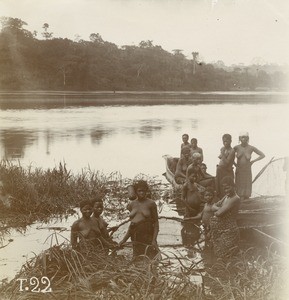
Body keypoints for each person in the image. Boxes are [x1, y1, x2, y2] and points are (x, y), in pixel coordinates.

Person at [119, 180, 159, 259]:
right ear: (136, 192)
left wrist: (154, 240)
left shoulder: (151, 203)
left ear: (146, 191)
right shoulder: (132, 204)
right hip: (136, 237)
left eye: (143, 191)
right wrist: (123, 240)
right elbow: (132, 225)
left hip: (148, 237)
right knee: (137, 260)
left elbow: (156, 223)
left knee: (150, 260)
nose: (141, 193)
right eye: (139, 191)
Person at [210, 176, 241, 259]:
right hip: (221, 231)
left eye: (228, 188)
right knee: (219, 255)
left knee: (226, 256)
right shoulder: (226, 197)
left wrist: (217, 209)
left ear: (234, 186)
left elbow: (219, 213)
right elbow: (212, 207)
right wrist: (219, 208)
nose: (226, 190)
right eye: (224, 188)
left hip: (229, 231)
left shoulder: (235, 198)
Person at [233, 132, 265, 200]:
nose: (244, 139)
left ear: (248, 138)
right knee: (239, 184)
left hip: (247, 169)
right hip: (239, 169)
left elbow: (262, 155)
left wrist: (253, 161)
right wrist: (235, 165)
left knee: (247, 185)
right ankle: (239, 201)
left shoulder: (251, 148)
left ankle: (246, 199)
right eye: (242, 137)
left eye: (245, 137)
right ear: (240, 138)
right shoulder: (236, 147)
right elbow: (229, 156)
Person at [215, 134, 235, 198]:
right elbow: (220, 157)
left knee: (226, 186)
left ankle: (227, 200)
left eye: (227, 141)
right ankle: (220, 199)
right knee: (219, 186)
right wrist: (223, 154)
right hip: (220, 170)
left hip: (226, 170)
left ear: (230, 141)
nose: (225, 143)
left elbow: (227, 163)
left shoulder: (232, 151)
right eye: (224, 141)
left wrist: (223, 153)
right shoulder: (223, 148)